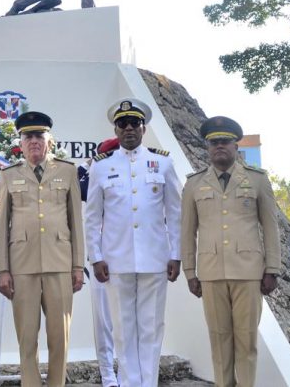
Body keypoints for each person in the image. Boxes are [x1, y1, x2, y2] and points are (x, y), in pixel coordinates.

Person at [85, 100, 182, 387]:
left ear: (144, 128)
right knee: (124, 330)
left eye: (134, 123)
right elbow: (92, 217)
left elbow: (175, 213)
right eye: (123, 123)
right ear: (115, 128)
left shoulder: (163, 163)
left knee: (151, 328)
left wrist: (176, 254)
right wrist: (96, 257)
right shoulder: (102, 167)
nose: (129, 128)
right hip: (116, 259)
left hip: (155, 259)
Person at [181, 116, 281, 387]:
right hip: (211, 272)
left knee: (246, 341)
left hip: (248, 272)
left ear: (236, 146)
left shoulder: (257, 180)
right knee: (219, 341)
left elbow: (270, 228)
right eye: (214, 143)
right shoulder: (194, 184)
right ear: (207, 147)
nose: (219, 147)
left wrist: (272, 269)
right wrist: (190, 272)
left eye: (225, 141)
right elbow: (187, 232)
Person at [0, 111, 84, 387]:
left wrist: (78, 265)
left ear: (49, 140)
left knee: (60, 337)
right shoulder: (9, 175)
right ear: (20, 143)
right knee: (27, 337)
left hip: (59, 263)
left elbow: (75, 221)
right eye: (28, 136)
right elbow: (1, 225)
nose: (34, 141)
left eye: (39, 135)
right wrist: (2, 269)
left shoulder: (67, 171)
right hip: (22, 266)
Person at [78, 137, 119, 387]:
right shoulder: (88, 176)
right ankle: (107, 373)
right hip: (100, 257)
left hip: (128, 256)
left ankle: (127, 372)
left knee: (129, 320)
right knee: (103, 318)